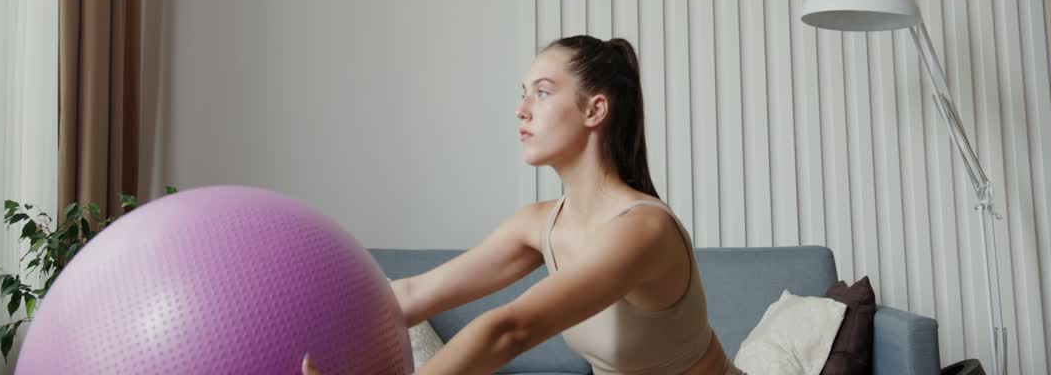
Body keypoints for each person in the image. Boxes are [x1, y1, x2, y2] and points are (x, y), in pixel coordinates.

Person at [303, 35, 743, 375]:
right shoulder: (539, 225)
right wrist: (306, 325)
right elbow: (413, 295)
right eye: (523, 92)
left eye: (543, 92)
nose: (521, 109)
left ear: (595, 110)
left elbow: (510, 330)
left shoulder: (642, 230)